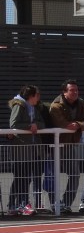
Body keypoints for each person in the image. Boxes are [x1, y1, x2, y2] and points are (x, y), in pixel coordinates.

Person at [48, 80, 84, 213]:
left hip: (70, 145)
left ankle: (66, 204)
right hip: (53, 145)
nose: (75, 92)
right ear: (64, 92)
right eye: (71, 90)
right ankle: (55, 204)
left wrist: (79, 124)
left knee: (75, 174)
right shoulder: (56, 105)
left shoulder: (81, 104)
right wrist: (72, 125)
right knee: (51, 176)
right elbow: (62, 123)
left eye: (76, 90)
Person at [7, 84, 46, 216]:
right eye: (36, 95)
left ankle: (19, 204)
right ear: (31, 96)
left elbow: (42, 123)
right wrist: (29, 126)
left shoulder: (34, 107)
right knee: (20, 177)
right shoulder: (19, 105)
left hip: (33, 148)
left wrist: (35, 125)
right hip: (21, 148)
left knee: (25, 177)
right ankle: (17, 204)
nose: (38, 98)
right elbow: (13, 124)